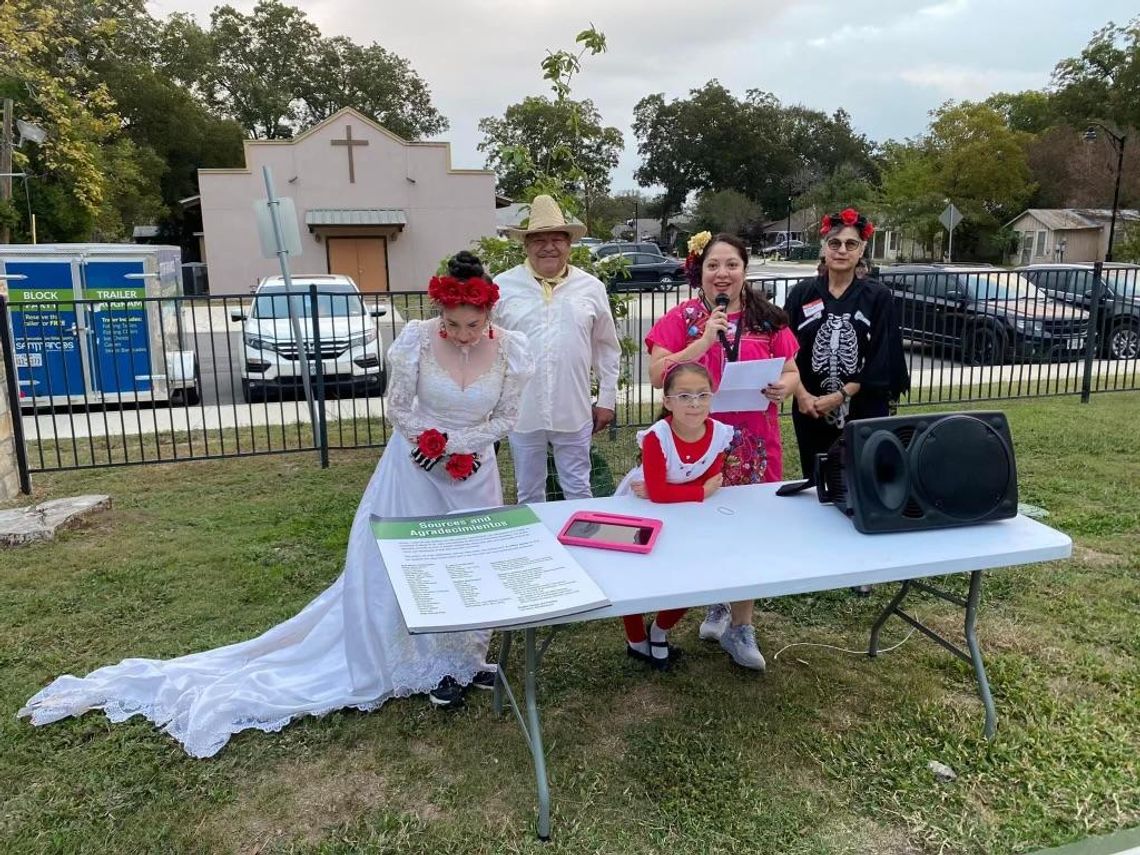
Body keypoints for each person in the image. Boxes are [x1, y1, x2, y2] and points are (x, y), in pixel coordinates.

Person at [18, 252, 535, 757]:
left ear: (489, 314)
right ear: (439, 313)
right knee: (404, 564)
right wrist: (431, 443)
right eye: (452, 324)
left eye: (472, 325)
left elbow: (507, 418)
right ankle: (409, 657)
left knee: (467, 564)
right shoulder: (416, 341)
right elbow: (399, 405)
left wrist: (461, 448)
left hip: (473, 473)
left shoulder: (512, 349)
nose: (462, 335)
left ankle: (462, 660)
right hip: (415, 469)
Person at [643, 232, 800, 671]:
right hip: (695, 442)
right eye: (713, 265)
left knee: (749, 529)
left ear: (744, 271)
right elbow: (658, 374)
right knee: (703, 525)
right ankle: (716, 601)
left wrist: (782, 387)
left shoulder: (768, 319)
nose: (722, 273)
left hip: (754, 442)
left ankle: (741, 624)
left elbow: (791, 371)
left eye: (731, 264)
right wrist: (702, 344)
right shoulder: (683, 318)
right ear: (701, 272)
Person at [493, 194, 622, 504]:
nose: (547, 246)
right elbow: (488, 346)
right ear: (525, 245)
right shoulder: (503, 286)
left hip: (572, 407)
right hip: (523, 408)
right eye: (538, 239)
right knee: (528, 490)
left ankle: (581, 547)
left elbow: (606, 347)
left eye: (556, 239)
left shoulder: (590, 287)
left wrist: (606, 399)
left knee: (578, 488)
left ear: (568, 244)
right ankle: (538, 550)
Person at [615, 362, 734, 671]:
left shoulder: (719, 433)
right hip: (643, 511)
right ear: (667, 401)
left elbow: (705, 479)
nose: (694, 404)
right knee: (635, 577)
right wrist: (698, 491)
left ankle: (659, 631)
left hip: (689, 515)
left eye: (702, 395)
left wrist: (670, 490)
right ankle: (635, 639)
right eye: (684, 396)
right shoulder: (658, 437)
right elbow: (662, 492)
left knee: (691, 575)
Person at [785, 207, 909, 481]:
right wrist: (803, 396)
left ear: (861, 250)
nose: (842, 250)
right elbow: (784, 349)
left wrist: (841, 395)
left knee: (863, 478)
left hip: (862, 407)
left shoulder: (877, 296)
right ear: (824, 249)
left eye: (850, 244)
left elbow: (882, 355)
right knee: (816, 478)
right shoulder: (802, 294)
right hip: (811, 408)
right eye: (835, 243)